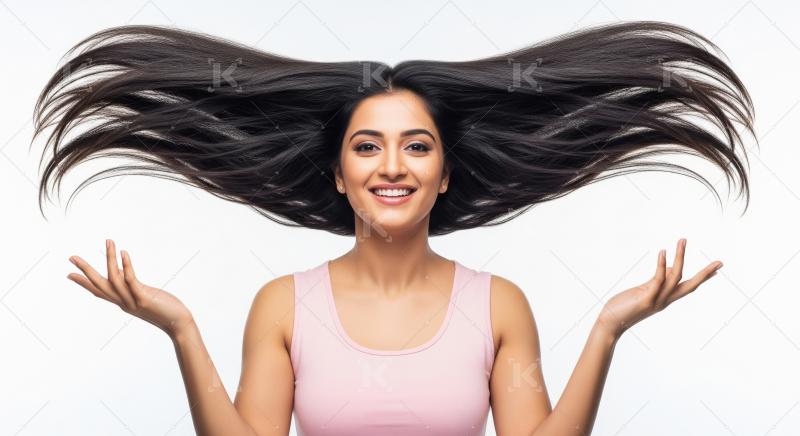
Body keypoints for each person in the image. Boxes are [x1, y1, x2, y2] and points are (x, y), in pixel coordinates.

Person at [36, 20, 754, 436]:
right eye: (366, 146)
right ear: (338, 175)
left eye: (417, 145)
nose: (392, 166)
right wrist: (182, 330)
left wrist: (607, 330)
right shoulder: (284, 305)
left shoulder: (497, 304)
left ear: (443, 174)